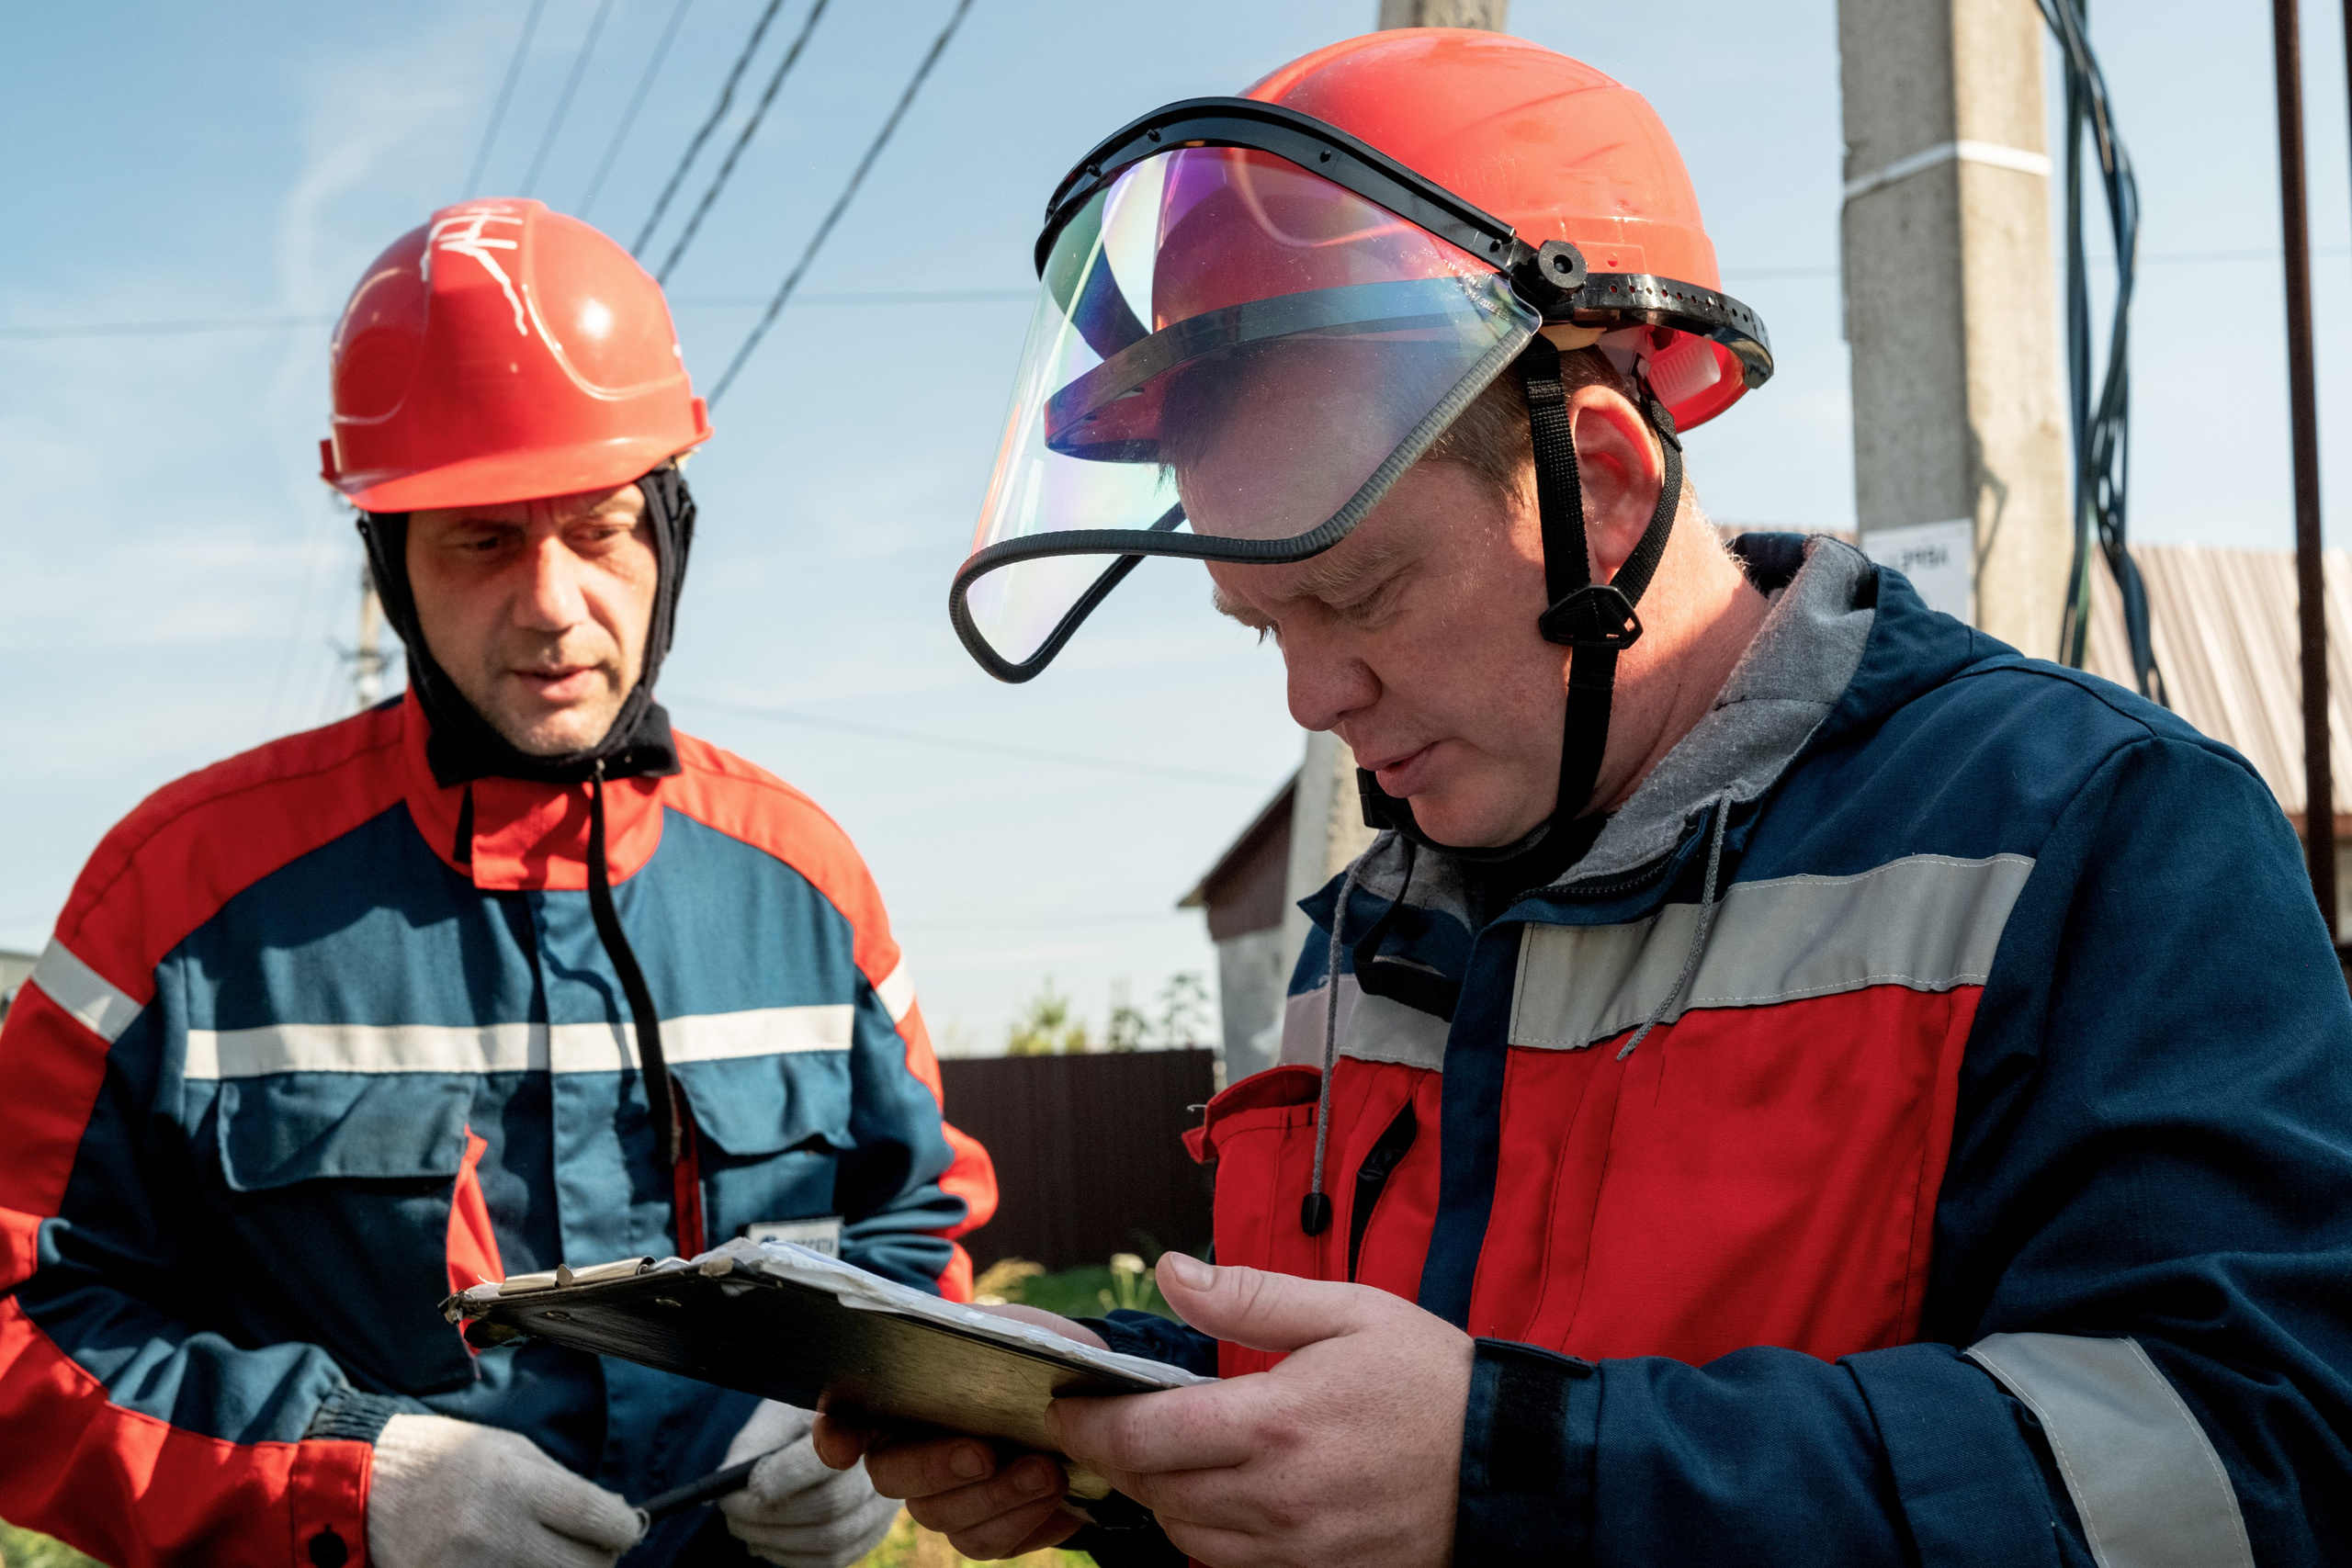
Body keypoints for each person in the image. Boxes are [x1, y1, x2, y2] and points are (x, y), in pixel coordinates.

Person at [824, 30, 2352, 1567]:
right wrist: (1131, 1451)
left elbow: (2254, 1465)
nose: (1313, 699)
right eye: (1264, 628)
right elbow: (1381, 1428)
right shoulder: (1379, 917)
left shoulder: (2098, 837)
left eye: (1358, 595)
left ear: (1603, 485)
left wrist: (1522, 1478)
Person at [0, 198, 995, 1568]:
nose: (551, 602)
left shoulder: (803, 883)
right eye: (479, 540)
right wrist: (334, 1482)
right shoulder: (173, 898)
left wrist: (878, 1420)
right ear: (389, 565)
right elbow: (16, 1318)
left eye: (599, 529)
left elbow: (915, 1220)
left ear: (670, 531)